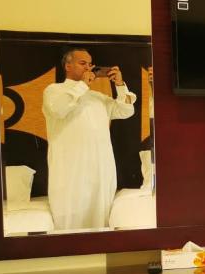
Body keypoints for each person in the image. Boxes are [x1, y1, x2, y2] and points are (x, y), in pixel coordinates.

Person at [43, 49, 137, 230]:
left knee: (100, 219)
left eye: (90, 64)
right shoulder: (54, 91)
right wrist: (83, 85)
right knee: (69, 219)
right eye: (82, 63)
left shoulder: (97, 97)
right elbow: (59, 110)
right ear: (68, 66)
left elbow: (126, 111)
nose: (88, 67)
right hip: (70, 170)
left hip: (100, 169)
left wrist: (120, 85)